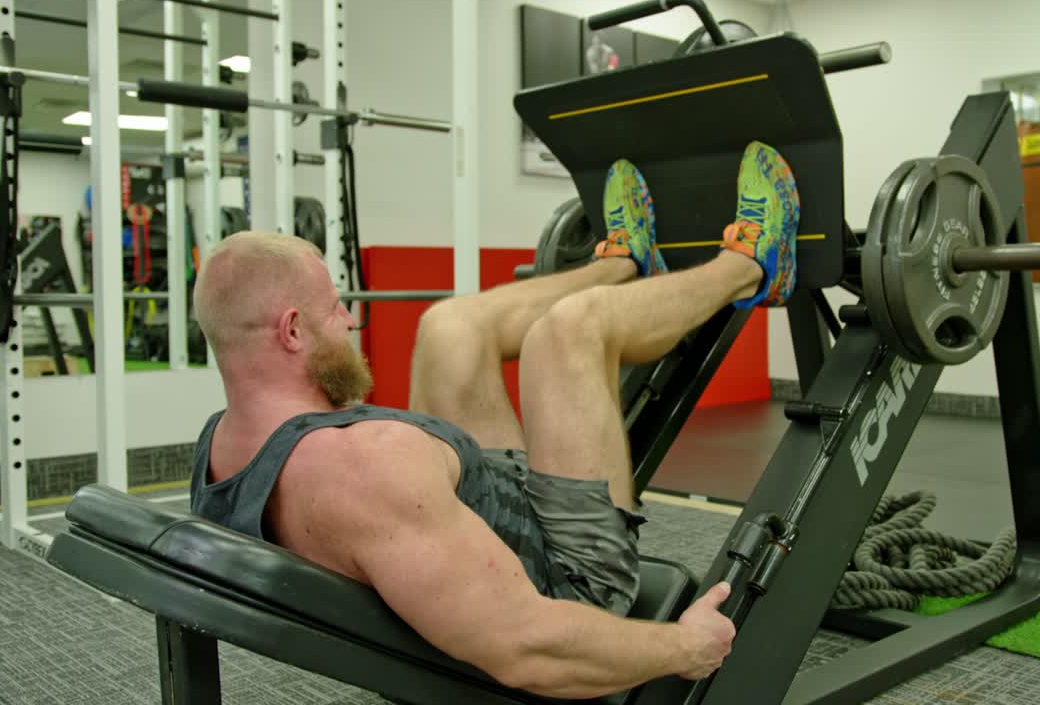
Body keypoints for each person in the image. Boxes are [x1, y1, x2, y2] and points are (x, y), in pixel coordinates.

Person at [188, 141, 801, 699]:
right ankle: (752, 266)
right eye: (334, 310)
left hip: (478, 530)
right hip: (569, 577)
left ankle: (624, 266)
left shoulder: (224, 445)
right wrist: (687, 647)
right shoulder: (359, 472)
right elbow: (529, 645)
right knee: (571, 330)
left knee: (448, 328)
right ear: (292, 331)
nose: (351, 320)